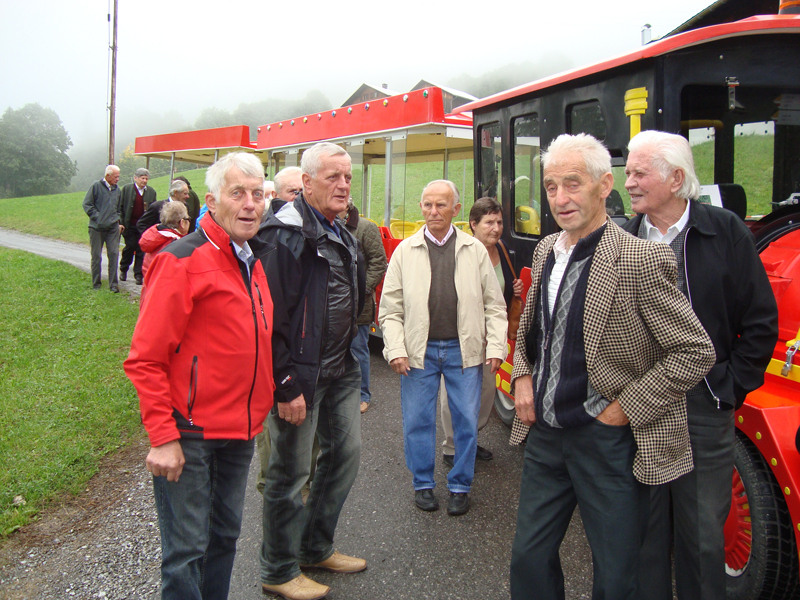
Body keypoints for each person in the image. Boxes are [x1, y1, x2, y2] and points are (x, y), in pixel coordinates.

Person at [509, 133, 715, 600]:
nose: (560, 198)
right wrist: (522, 375)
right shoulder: (545, 250)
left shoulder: (641, 258)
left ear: (605, 186)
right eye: (551, 186)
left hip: (605, 441)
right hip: (545, 436)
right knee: (528, 559)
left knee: (617, 574)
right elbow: (533, 332)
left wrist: (624, 409)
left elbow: (694, 350)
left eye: (573, 184)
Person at [622, 130, 779, 600]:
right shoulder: (622, 237)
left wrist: (727, 389)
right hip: (638, 406)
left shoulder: (724, 231)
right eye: (627, 172)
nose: (628, 183)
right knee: (643, 535)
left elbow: (760, 321)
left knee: (702, 537)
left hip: (704, 404)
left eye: (638, 173)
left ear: (675, 178)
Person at [123, 151, 274, 600]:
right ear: (211, 201)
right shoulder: (181, 260)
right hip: (190, 433)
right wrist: (162, 436)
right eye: (237, 193)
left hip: (239, 430)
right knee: (186, 551)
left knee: (224, 539)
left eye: (257, 194)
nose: (250, 204)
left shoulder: (251, 260)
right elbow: (145, 358)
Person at [256, 142, 365, 600]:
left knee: (343, 456)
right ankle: (278, 569)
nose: (343, 185)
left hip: (340, 369)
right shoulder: (285, 234)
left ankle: (314, 548)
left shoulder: (339, 229)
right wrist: (285, 383)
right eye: (332, 177)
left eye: (348, 177)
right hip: (300, 376)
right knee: (288, 473)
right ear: (306, 182)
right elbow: (267, 318)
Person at [379, 180, 508, 516]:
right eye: (427, 205)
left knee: (466, 421)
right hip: (418, 352)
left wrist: (496, 346)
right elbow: (390, 309)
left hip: (463, 351)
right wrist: (396, 349)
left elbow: (495, 305)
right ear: (421, 208)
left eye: (441, 205)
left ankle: (460, 486)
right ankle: (422, 483)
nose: (433, 212)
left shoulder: (473, 250)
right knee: (417, 421)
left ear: (455, 209)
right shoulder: (404, 251)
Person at [440, 197, 523, 466]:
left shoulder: (503, 250)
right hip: (461, 333)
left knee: (486, 392)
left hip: (492, 335)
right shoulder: (460, 251)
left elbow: (501, 292)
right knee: (455, 393)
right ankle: (452, 447)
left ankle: (470, 440)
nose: (496, 228)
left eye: (499, 222)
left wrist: (515, 289)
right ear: (473, 224)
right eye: (489, 222)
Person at [341, 198, 388, 413]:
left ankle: (362, 395)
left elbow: (378, 261)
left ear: (348, 204)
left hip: (358, 305)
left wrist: (363, 288)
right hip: (331, 305)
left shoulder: (366, 228)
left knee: (358, 349)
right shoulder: (324, 224)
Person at [137, 201, 190, 306]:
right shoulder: (176, 245)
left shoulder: (155, 238)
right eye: (188, 219)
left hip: (148, 296)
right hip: (165, 301)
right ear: (182, 223)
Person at [83, 165, 123, 292]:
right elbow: (87, 204)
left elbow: (119, 208)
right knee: (96, 256)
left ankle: (113, 284)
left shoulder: (117, 190)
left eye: (118, 177)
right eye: (115, 177)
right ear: (107, 176)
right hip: (96, 228)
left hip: (112, 228)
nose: (118, 179)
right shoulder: (96, 186)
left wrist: (117, 219)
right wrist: (98, 218)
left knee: (114, 254)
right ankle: (96, 284)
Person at [119, 167, 156, 285]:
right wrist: (121, 222)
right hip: (129, 225)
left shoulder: (151, 192)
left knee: (141, 249)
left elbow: (153, 210)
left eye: (146, 179)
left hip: (143, 227)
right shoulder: (127, 189)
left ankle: (138, 275)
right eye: (142, 178)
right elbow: (120, 207)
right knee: (130, 247)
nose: (144, 181)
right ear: (135, 178)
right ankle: (123, 269)